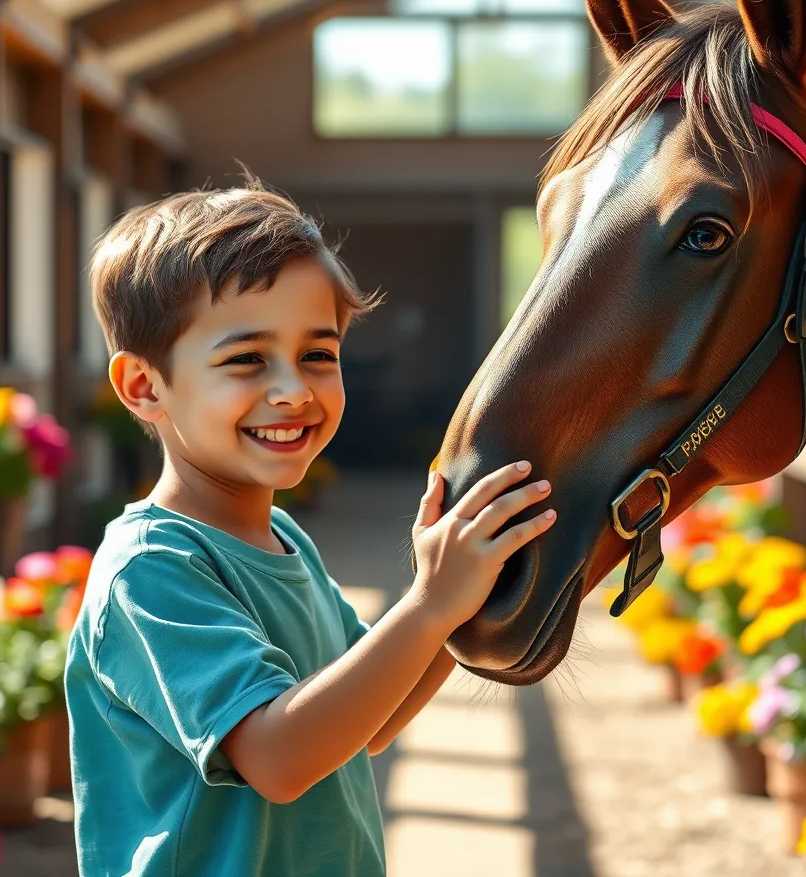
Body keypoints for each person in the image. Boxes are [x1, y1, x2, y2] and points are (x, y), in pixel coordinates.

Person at [66, 180, 556, 877]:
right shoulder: (149, 568)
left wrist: (463, 601)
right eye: (246, 359)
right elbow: (279, 758)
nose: (294, 389)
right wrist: (429, 605)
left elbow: (372, 721)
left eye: (318, 355)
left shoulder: (285, 543)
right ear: (145, 387)